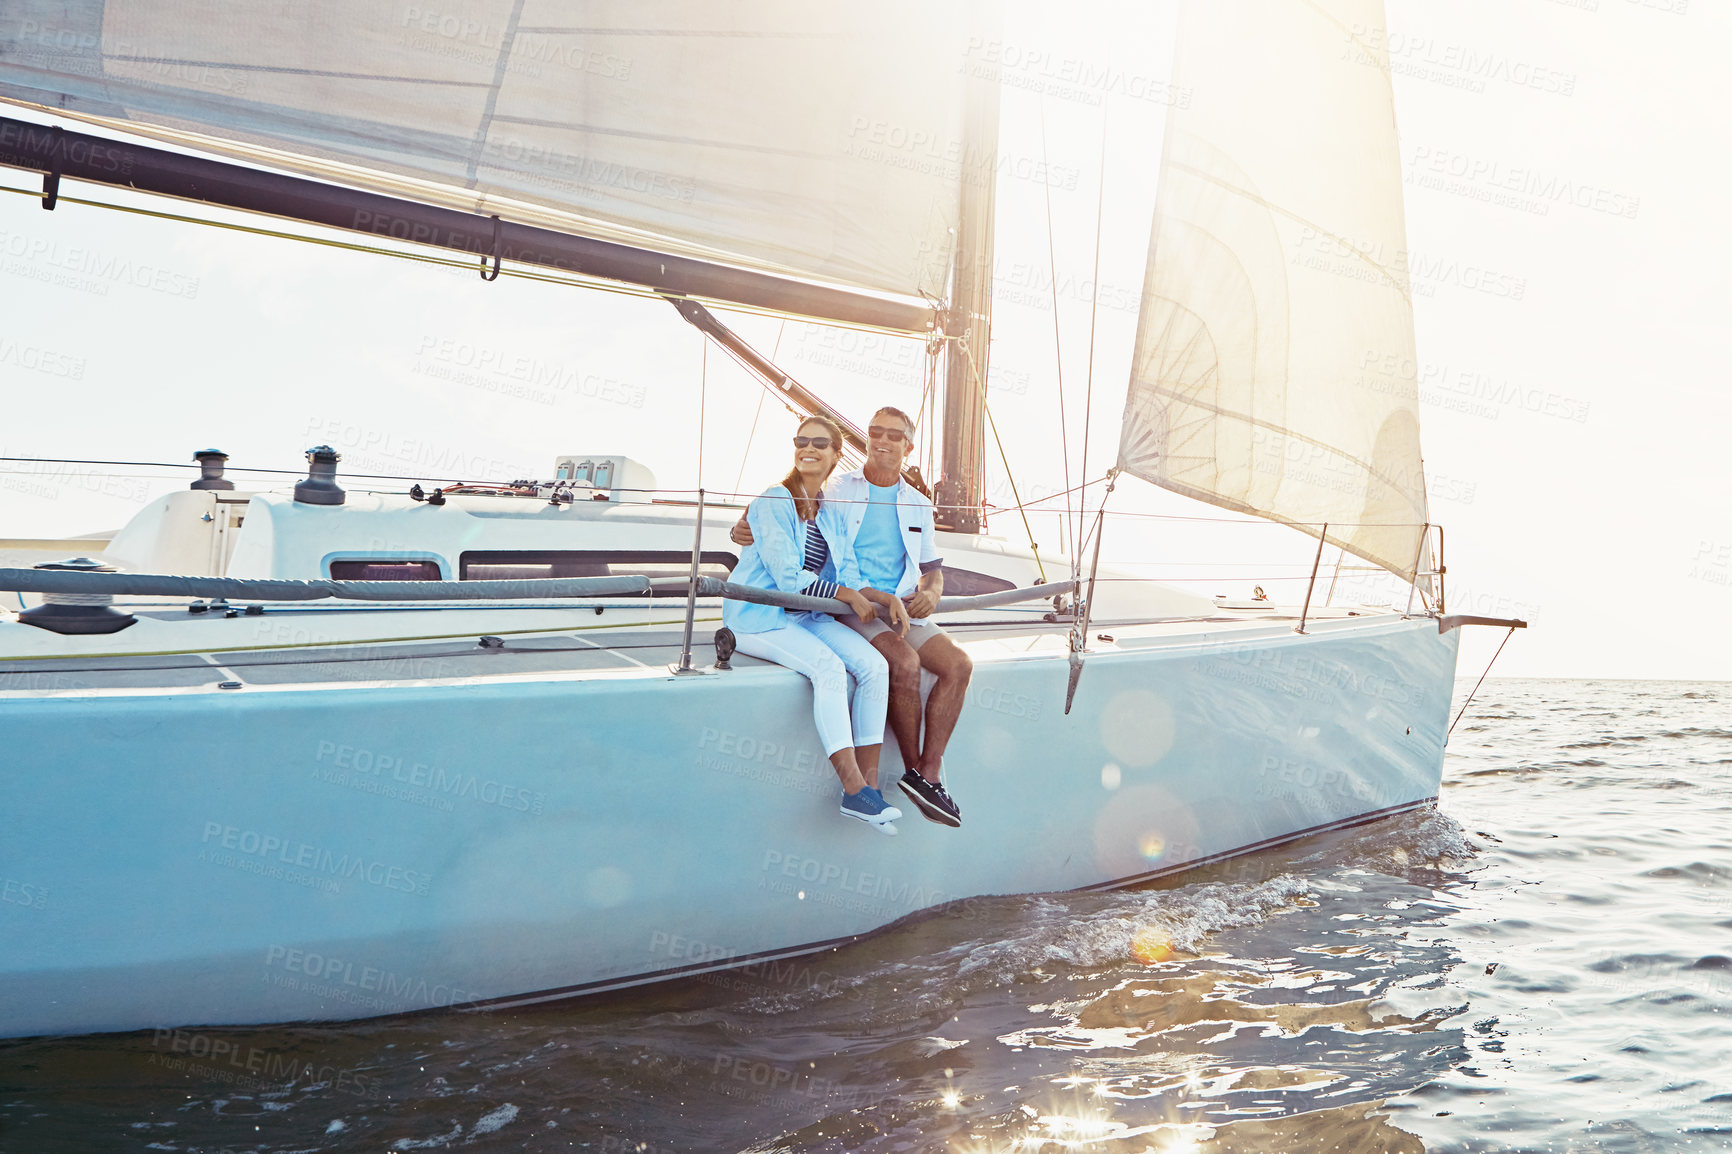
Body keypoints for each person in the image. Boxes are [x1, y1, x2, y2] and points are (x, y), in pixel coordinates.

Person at [733, 406, 972, 827]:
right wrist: (744, 524)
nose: (882, 440)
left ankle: (914, 778)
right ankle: (871, 784)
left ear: (908, 446)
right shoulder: (832, 493)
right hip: (794, 611)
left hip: (855, 607)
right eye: (875, 432)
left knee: (954, 665)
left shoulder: (855, 505)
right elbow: (788, 568)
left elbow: (908, 568)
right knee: (893, 664)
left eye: (893, 435)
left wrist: (917, 595)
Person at [723, 416, 902, 831]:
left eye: (820, 443)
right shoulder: (774, 500)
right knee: (829, 668)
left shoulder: (830, 511)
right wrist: (846, 596)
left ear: (836, 455)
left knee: (876, 666)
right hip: (759, 614)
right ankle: (854, 789)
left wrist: (880, 596)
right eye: (802, 441)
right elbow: (787, 577)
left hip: (806, 614)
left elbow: (850, 576)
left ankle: (869, 789)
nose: (809, 448)